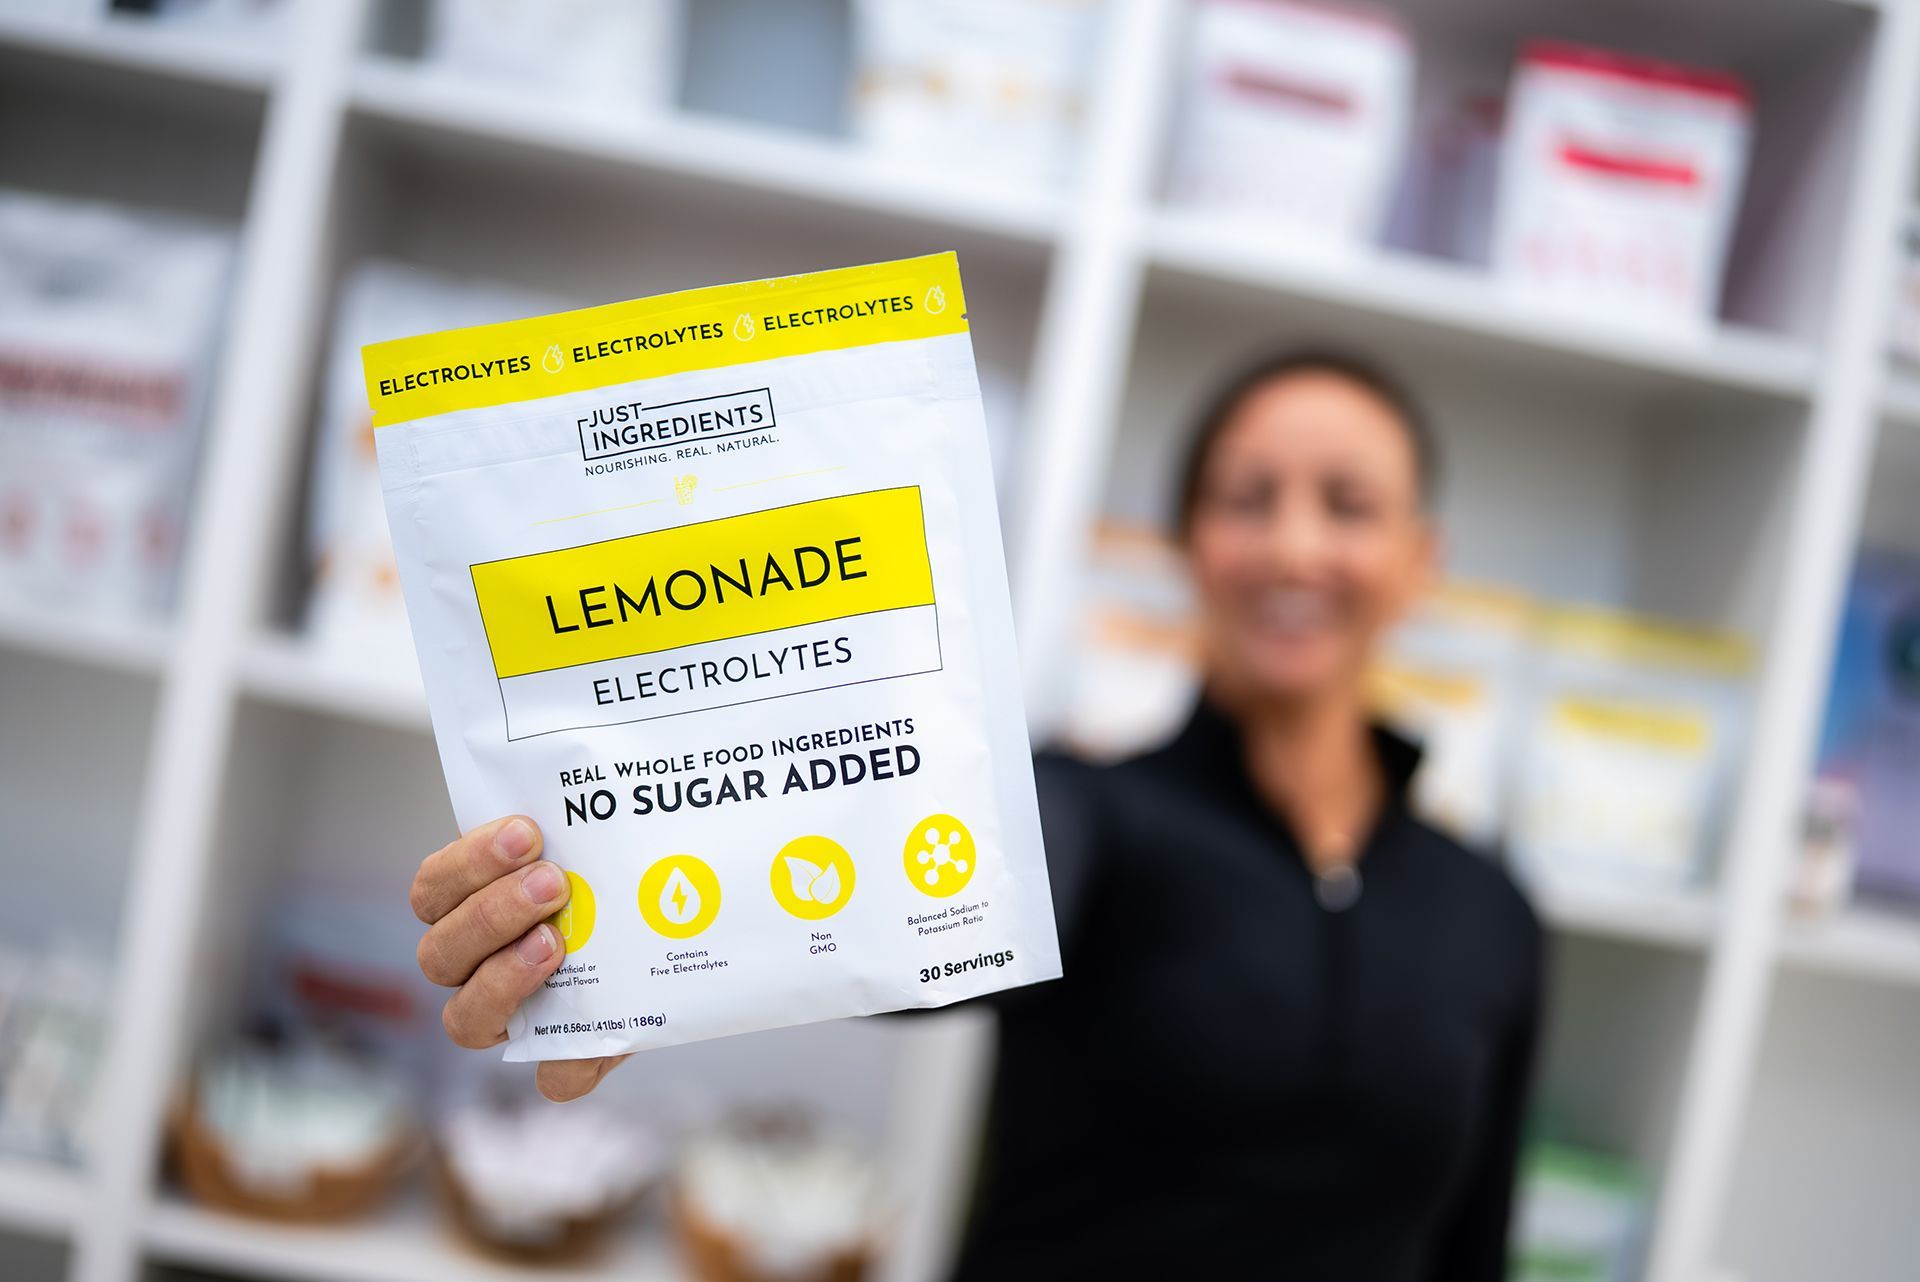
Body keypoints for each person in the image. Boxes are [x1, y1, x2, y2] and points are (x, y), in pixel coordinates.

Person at [407, 350, 1544, 1281]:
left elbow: (1471, 1249)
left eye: (1347, 505)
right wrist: (627, 950)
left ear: (1417, 561)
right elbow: (926, 909)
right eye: (1250, 498)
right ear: (1190, 543)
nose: (1297, 544)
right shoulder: (1098, 814)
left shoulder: (1491, 915)